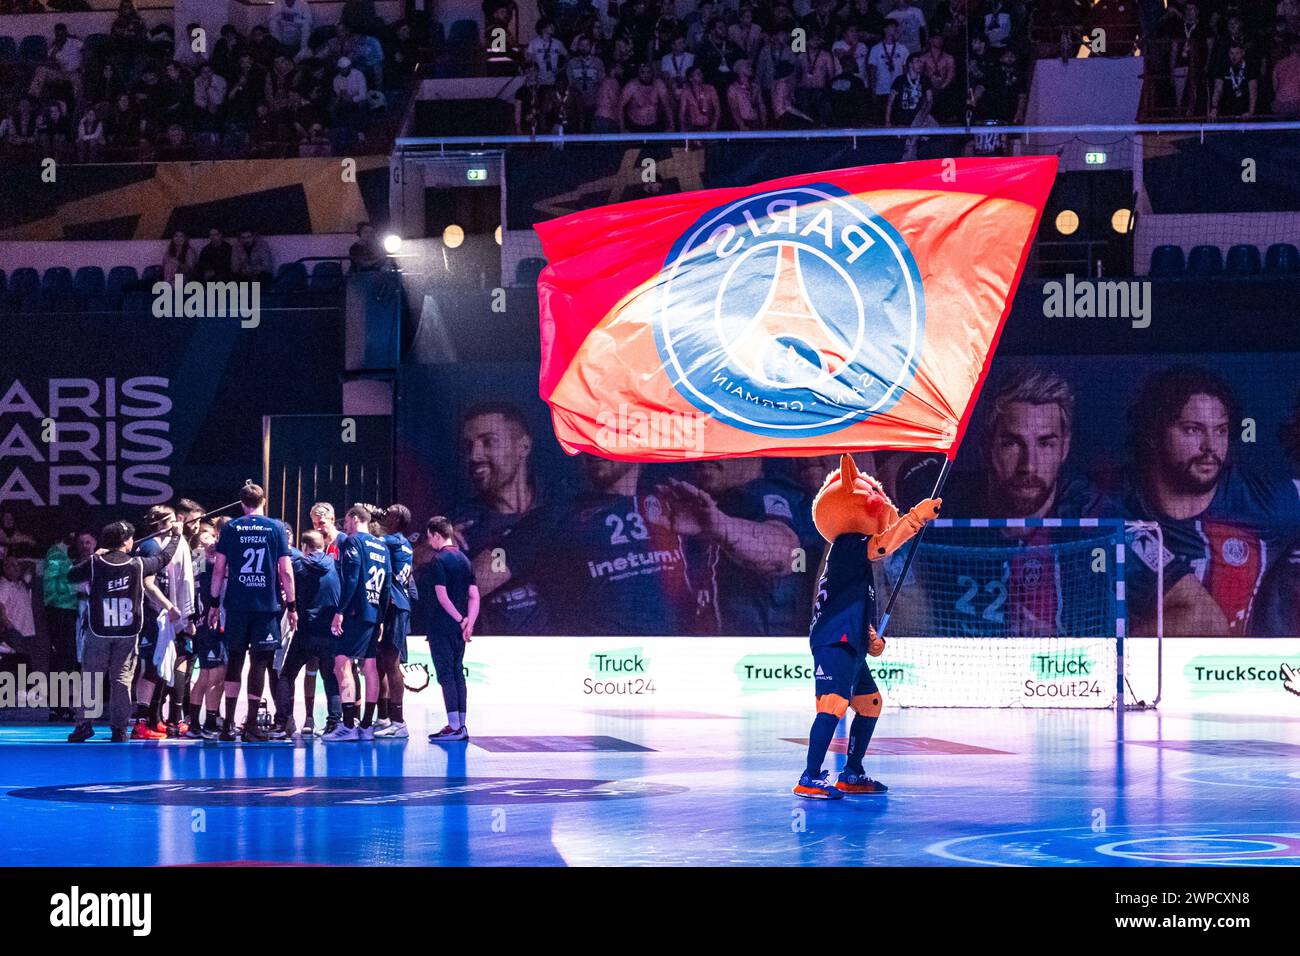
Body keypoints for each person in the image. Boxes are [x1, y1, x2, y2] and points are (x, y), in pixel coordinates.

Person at [794, 455, 940, 798]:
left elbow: (851, 603)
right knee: (832, 703)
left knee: (870, 702)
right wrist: (915, 517)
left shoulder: (854, 557)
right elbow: (884, 545)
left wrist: (871, 638)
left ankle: (852, 772)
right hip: (835, 640)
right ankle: (809, 776)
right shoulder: (848, 544)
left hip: (850, 640)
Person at [1123, 365, 1300, 637]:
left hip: (1236, 674)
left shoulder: (1268, 502)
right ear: (1153, 434)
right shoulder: (1113, 507)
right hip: (1140, 674)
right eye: (1193, 430)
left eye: (1221, 430)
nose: (1211, 447)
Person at [657, 458, 803, 635]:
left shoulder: (769, 493)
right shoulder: (690, 505)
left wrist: (723, 528)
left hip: (764, 656)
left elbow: (788, 552)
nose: (706, 454)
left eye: (721, 441)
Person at [67, 519, 181, 743]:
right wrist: (176, 536)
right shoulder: (137, 564)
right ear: (125, 541)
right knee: (121, 680)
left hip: (99, 630)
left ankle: (84, 725)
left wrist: (92, 557)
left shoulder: (95, 563)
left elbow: (71, 576)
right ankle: (119, 729)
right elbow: (164, 558)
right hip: (127, 632)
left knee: (91, 678)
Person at [206, 482, 296, 742]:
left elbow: (219, 569)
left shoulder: (231, 528)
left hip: (236, 604)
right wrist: (291, 606)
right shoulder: (276, 527)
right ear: (263, 501)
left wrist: (214, 603)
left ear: (242, 503)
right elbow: (286, 572)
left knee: (235, 660)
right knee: (259, 662)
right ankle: (252, 726)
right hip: (265, 606)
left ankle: (228, 725)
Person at [324, 505, 391, 741]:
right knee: (370, 668)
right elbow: (387, 587)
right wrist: (380, 617)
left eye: (347, 521)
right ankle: (365, 726)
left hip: (354, 613)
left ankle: (348, 726)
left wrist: (340, 610)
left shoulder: (353, 542)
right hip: (373, 613)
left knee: (342, 665)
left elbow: (352, 578)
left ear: (354, 518)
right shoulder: (382, 546)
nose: (345, 526)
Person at [416, 516, 479, 742]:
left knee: (446, 675)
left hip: (443, 627)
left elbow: (442, 597)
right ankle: (460, 724)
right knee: (457, 673)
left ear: (435, 534)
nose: (429, 541)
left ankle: (454, 726)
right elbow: (474, 596)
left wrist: (460, 619)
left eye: (429, 536)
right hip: (459, 630)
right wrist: (469, 622)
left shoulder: (439, 560)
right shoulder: (464, 560)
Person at [271, 531, 339, 738]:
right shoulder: (336, 566)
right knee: (330, 678)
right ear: (323, 545)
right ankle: (334, 723)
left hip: (305, 631)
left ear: (305, 547)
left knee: (287, 675)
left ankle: (282, 722)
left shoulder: (298, 567)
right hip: (328, 632)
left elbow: (289, 586)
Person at [374, 504, 416, 738]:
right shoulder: (403, 543)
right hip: (394, 606)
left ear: (397, 520)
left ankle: (399, 722)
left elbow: (369, 541)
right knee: (382, 663)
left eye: (389, 513)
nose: (384, 514)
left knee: (391, 663)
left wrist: (366, 517)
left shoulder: (392, 542)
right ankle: (384, 717)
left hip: (396, 606)